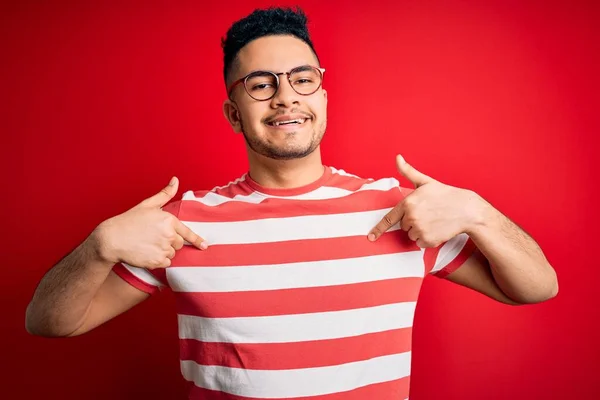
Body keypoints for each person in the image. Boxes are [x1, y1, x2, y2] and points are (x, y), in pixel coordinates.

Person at [25, 6, 559, 400]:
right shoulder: (183, 223)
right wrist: (97, 248)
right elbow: (50, 323)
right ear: (235, 113)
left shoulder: (400, 210)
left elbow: (536, 288)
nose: (286, 97)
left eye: (303, 80)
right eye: (260, 84)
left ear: (323, 98)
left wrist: (479, 212)